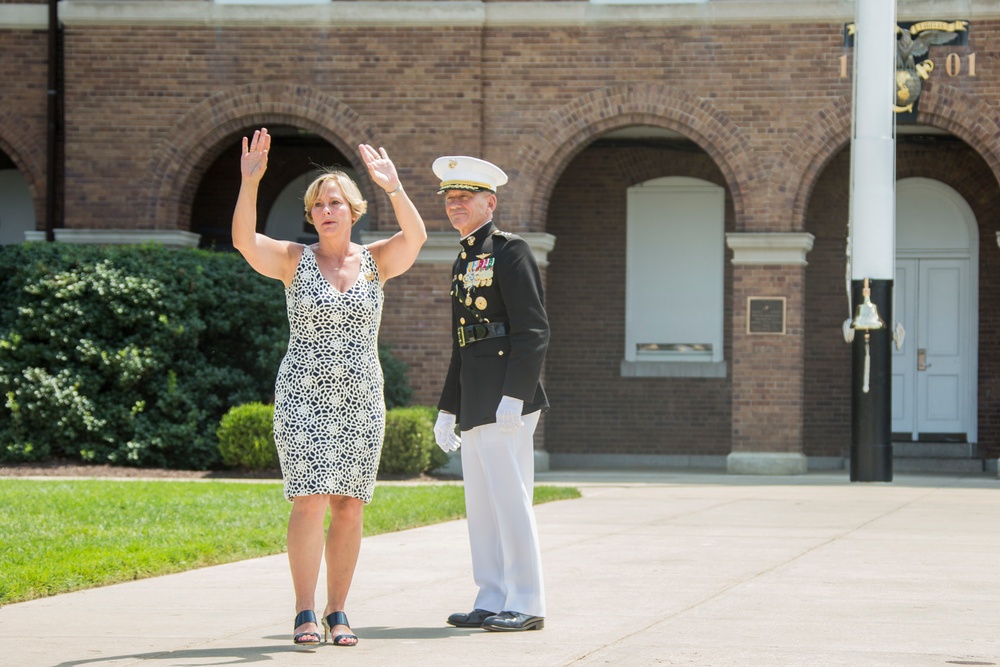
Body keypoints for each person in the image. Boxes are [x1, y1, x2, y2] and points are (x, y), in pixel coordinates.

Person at [232, 127, 426, 648]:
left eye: (335, 202)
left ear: (353, 209)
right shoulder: (295, 260)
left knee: (349, 505)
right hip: (302, 394)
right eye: (318, 204)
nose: (326, 210)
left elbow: (418, 239)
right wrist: (250, 183)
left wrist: (395, 187)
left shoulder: (376, 261)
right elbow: (245, 242)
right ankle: (304, 612)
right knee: (309, 501)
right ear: (311, 214)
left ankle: (338, 610)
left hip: (361, 396)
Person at [432, 155, 550, 632]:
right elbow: (463, 341)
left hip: (507, 398)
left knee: (510, 499)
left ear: (490, 202)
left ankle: (527, 599)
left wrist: (515, 396)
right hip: (477, 397)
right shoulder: (464, 258)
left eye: (465, 198)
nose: (455, 205)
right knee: (481, 505)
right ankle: (492, 595)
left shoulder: (511, 250)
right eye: (450, 199)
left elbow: (533, 330)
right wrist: (447, 407)